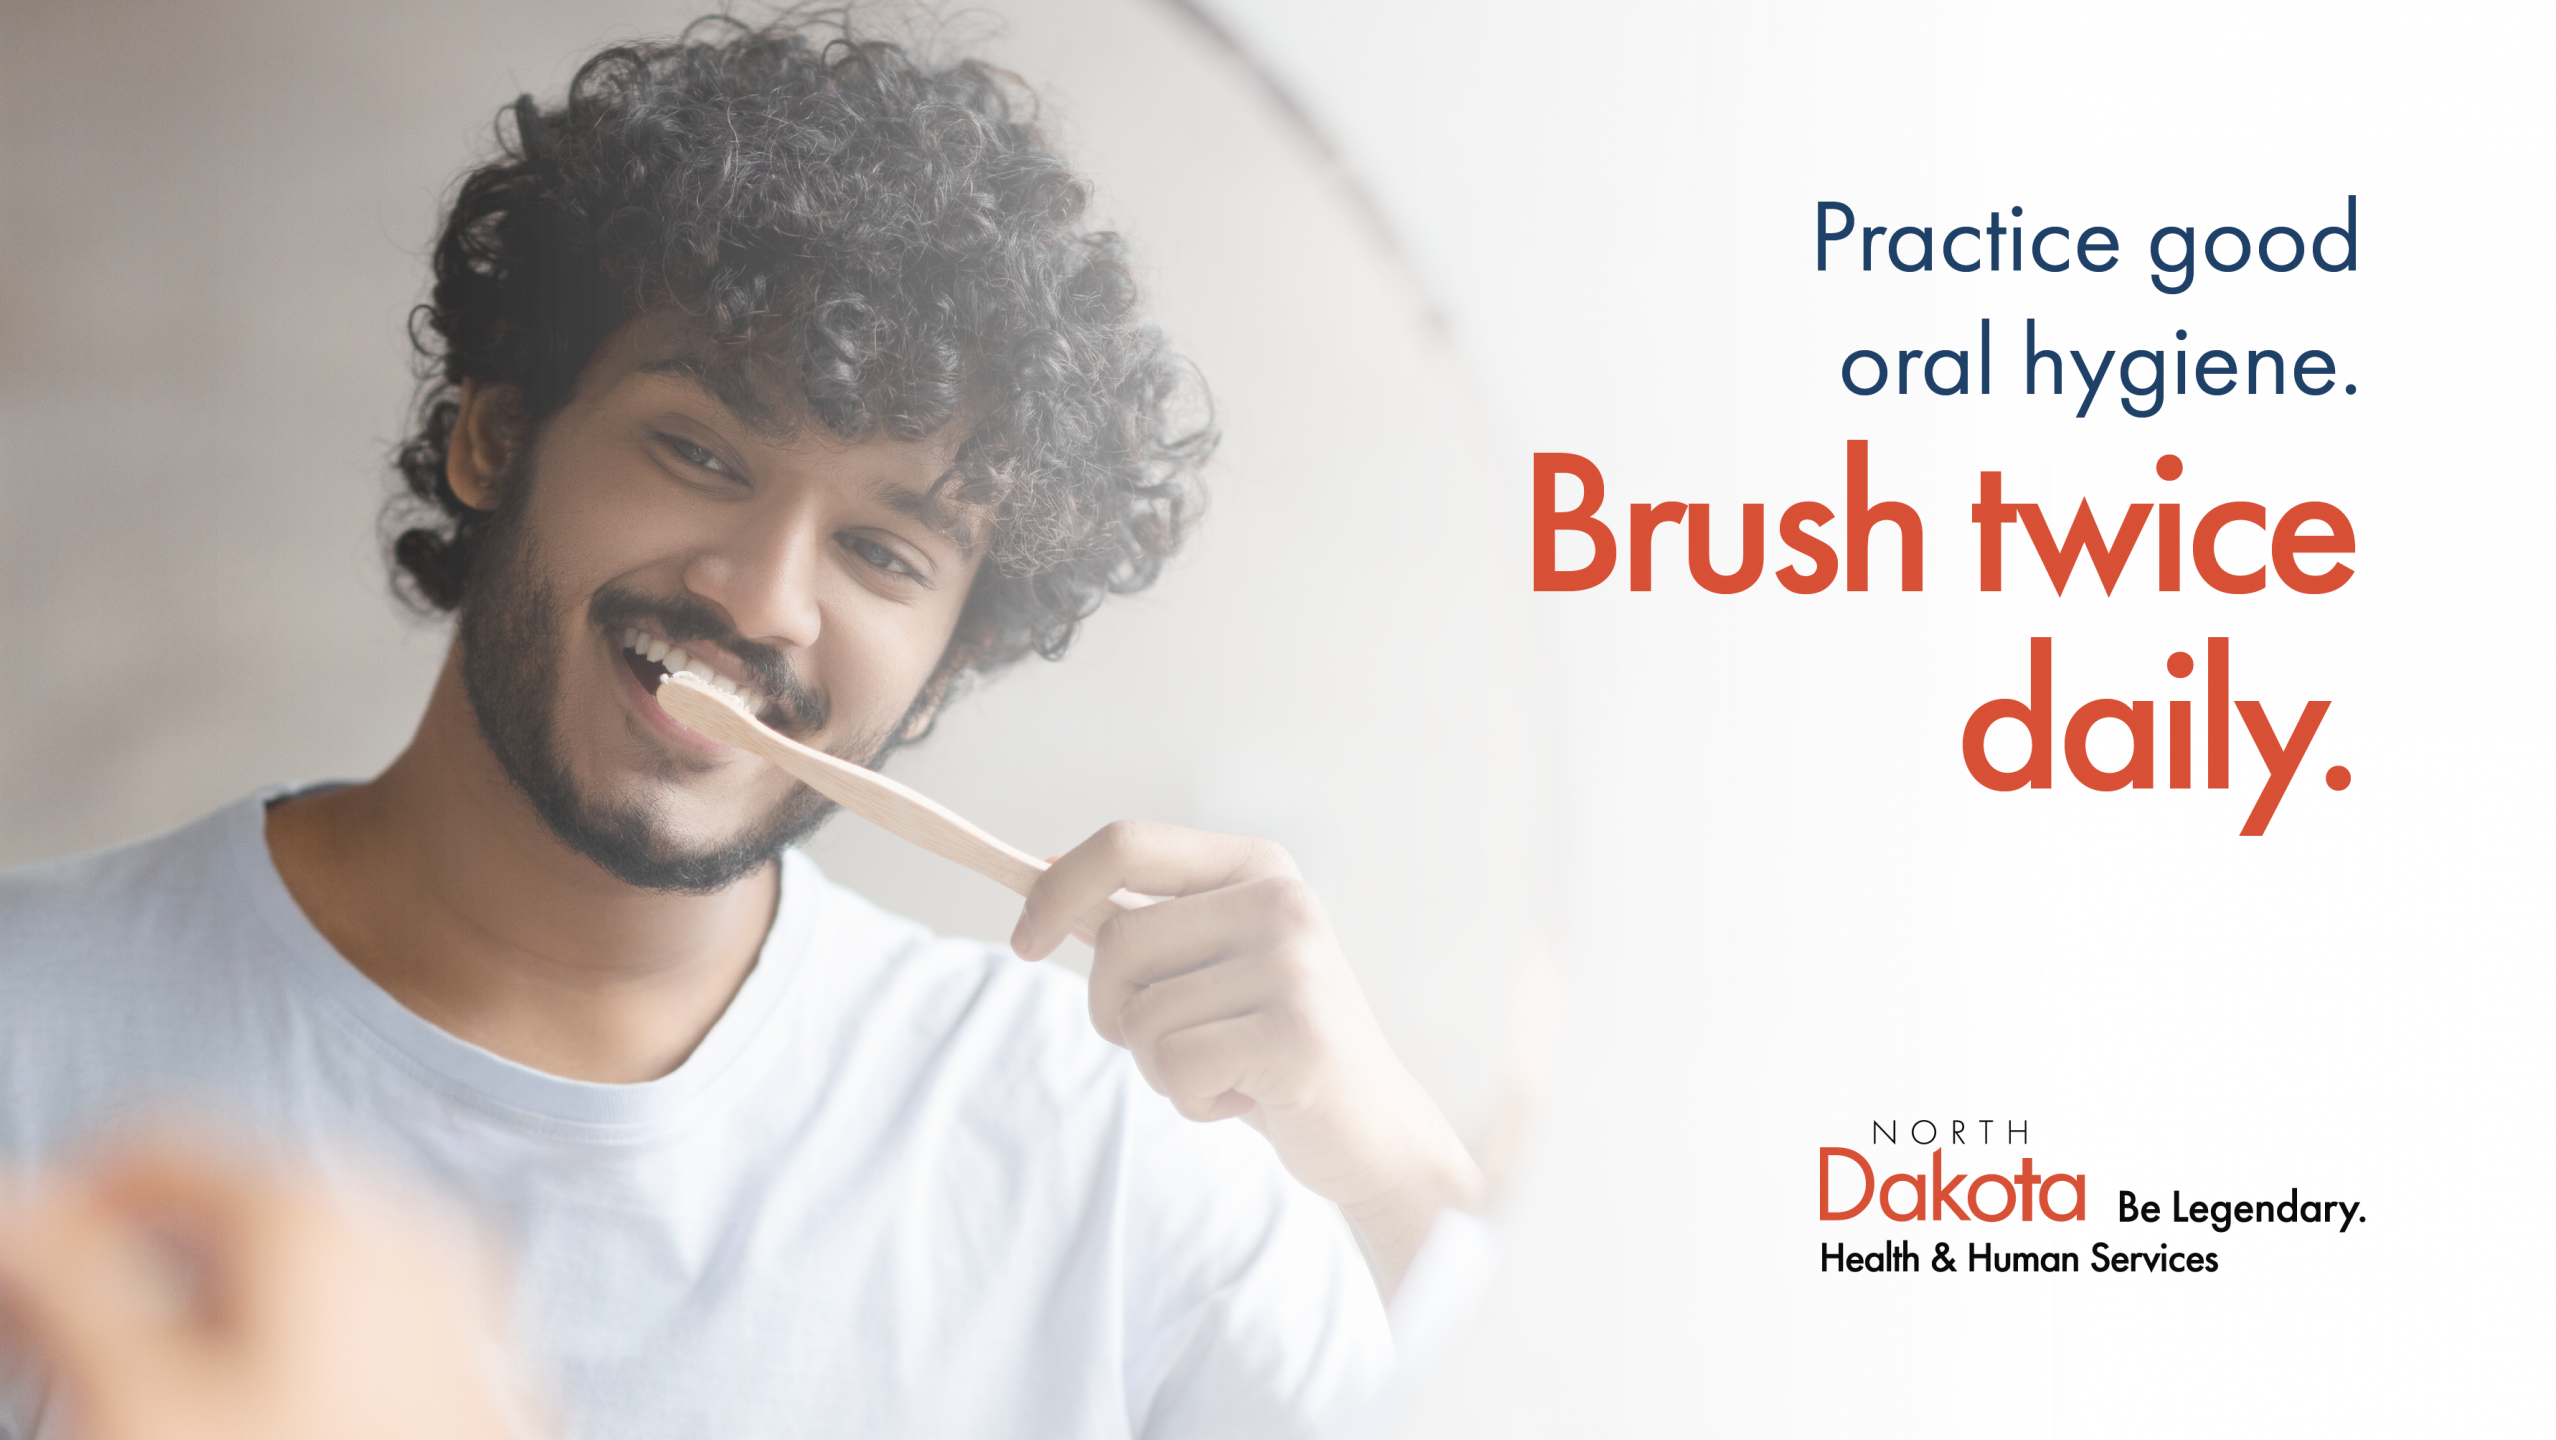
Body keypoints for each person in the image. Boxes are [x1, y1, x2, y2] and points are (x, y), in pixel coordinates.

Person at [0, 15, 1481, 1438]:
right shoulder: (35, 1030)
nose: (766, 601)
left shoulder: (1111, 1151)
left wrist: (1397, 1173)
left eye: (884, 553)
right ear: (495, 440)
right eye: (698, 450)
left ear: (951, 661)